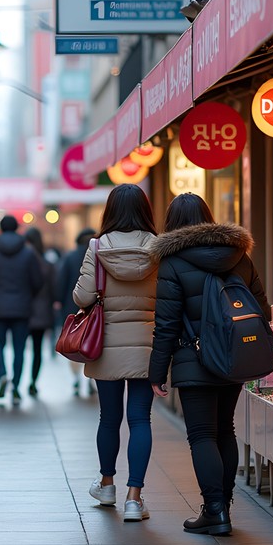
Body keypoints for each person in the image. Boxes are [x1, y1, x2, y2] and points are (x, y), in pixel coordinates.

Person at [148, 193, 272, 536]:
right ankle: (225, 506)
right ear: (208, 217)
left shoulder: (172, 262)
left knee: (202, 434)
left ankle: (214, 510)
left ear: (173, 223)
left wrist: (157, 371)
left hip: (194, 358)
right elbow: (262, 311)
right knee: (225, 430)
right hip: (234, 357)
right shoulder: (240, 256)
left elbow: (167, 324)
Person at [72, 185, 158, 521]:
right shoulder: (159, 248)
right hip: (146, 345)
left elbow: (82, 298)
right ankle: (134, 499)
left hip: (105, 345)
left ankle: (107, 484)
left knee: (109, 418)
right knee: (140, 419)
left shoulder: (97, 248)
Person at [0, 215, 44, 404]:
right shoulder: (28, 252)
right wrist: (27, 295)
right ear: (17, 228)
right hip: (22, 307)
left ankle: (2, 375)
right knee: (19, 348)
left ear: (0, 229)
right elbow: (38, 281)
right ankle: (15, 386)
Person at [56, 227, 97, 397]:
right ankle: (90, 379)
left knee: (75, 343)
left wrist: (58, 300)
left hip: (73, 305)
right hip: (95, 308)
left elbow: (61, 280)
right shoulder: (99, 254)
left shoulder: (70, 257)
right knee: (93, 342)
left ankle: (76, 378)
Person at [24, 227, 55, 397]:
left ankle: (15, 383)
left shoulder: (22, 261)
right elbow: (53, 290)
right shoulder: (47, 264)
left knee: (19, 349)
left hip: (24, 311)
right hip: (42, 312)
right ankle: (33, 382)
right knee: (37, 350)